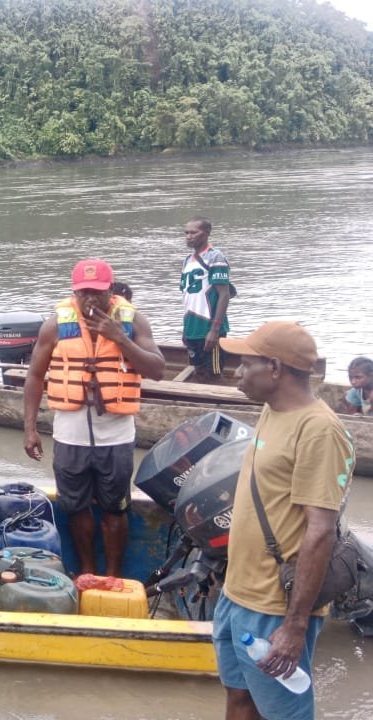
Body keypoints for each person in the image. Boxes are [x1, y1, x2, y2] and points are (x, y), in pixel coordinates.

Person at [211, 321, 354, 720]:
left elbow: (320, 530)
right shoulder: (273, 412)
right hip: (237, 592)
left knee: (283, 714)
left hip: (274, 606)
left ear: (274, 368)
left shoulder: (319, 431)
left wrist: (294, 626)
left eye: (245, 364)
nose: (237, 372)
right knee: (239, 697)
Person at [22, 258, 165, 577]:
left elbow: (156, 369)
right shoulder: (55, 324)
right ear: (74, 292)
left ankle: (113, 575)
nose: (90, 299)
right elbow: (34, 376)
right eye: (83, 292)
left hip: (115, 436)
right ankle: (87, 571)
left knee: (116, 508)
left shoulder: (133, 321)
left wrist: (120, 338)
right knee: (74, 506)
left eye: (97, 292)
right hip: (69, 434)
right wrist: (30, 428)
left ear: (111, 291)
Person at [180, 217, 233, 382]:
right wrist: (185, 329)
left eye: (193, 232)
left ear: (207, 233)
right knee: (199, 371)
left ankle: (222, 405)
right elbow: (189, 298)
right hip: (192, 327)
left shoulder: (215, 257)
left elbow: (224, 294)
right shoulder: (187, 261)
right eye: (186, 233)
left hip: (209, 327)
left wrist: (215, 330)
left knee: (215, 374)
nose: (189, 236)